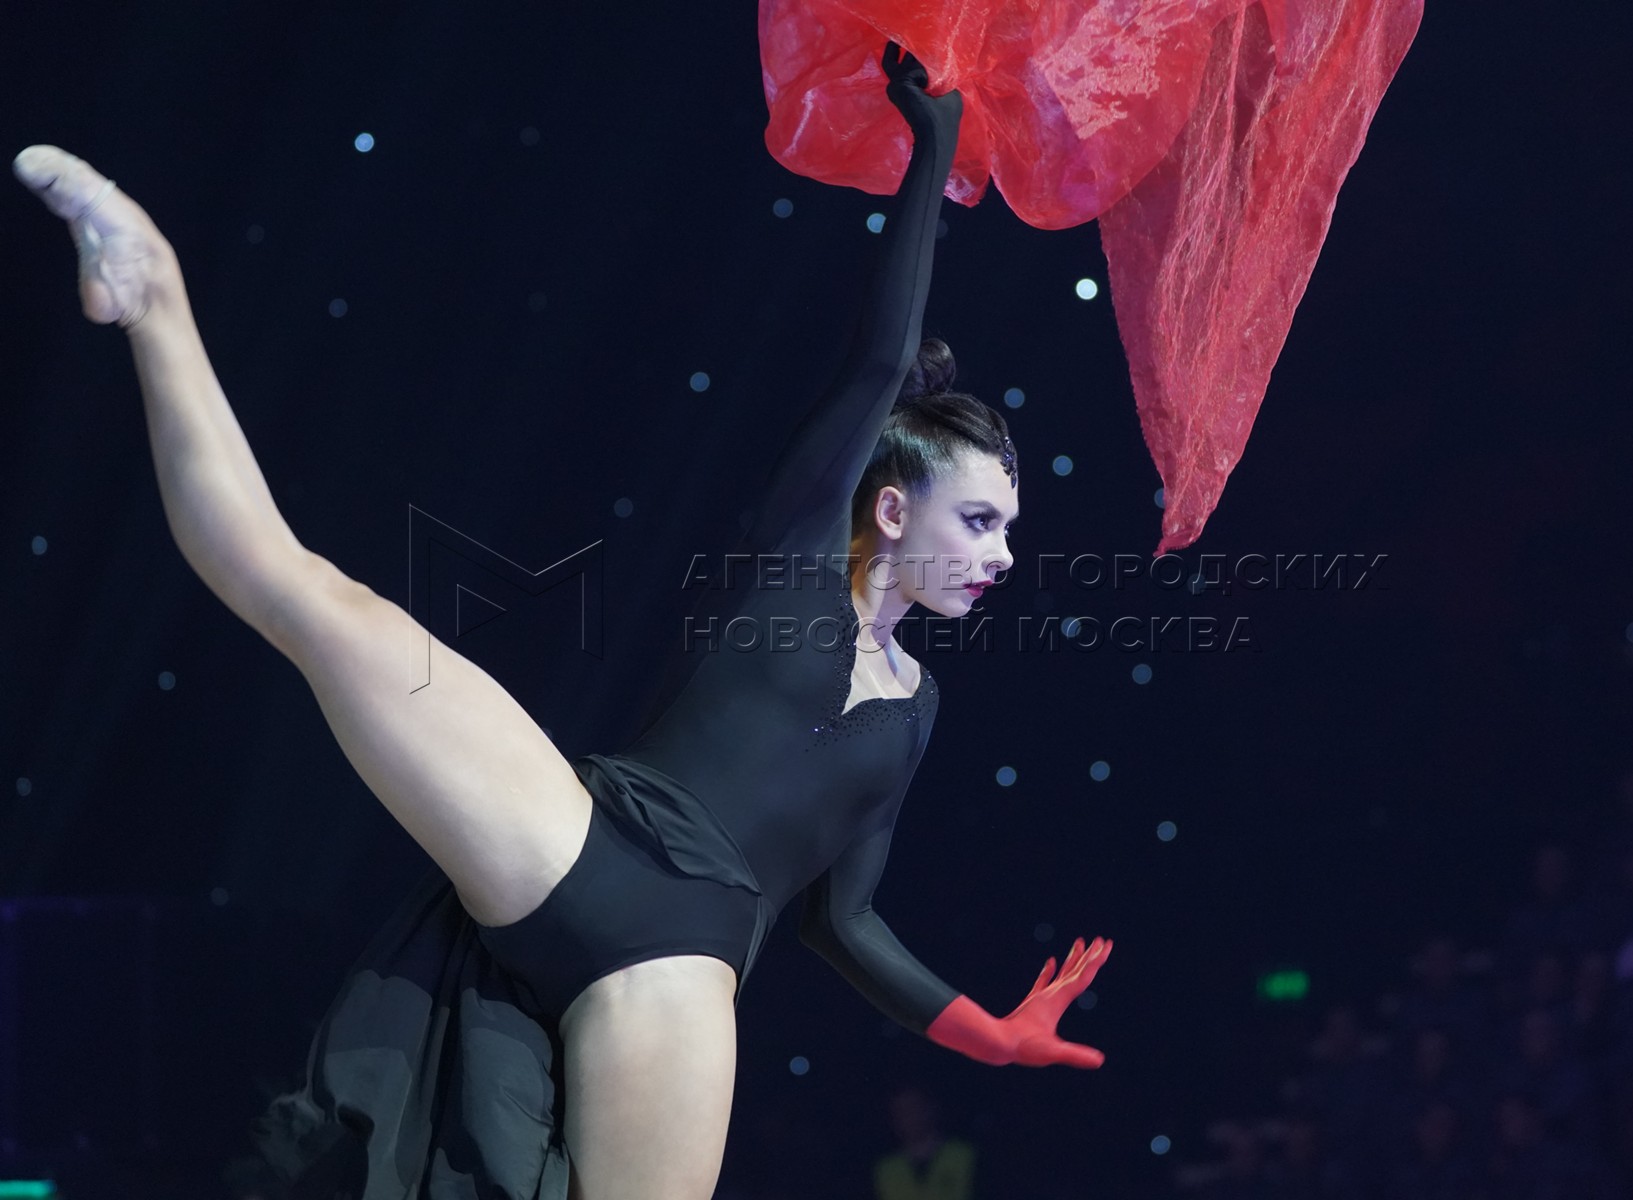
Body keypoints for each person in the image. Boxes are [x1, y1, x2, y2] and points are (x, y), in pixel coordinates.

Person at [13, 44, 1111, 1200]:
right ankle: (153, 288)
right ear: (890, 510)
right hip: (571, 835)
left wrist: (988, 1032)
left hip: (679, 972)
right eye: (980, 521)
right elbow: (880, 357)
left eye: (1007, 529)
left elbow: (845, 921)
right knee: (311, 595)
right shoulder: (793, 561)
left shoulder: (917, 708)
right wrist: (932, 149)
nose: (1002, 556)